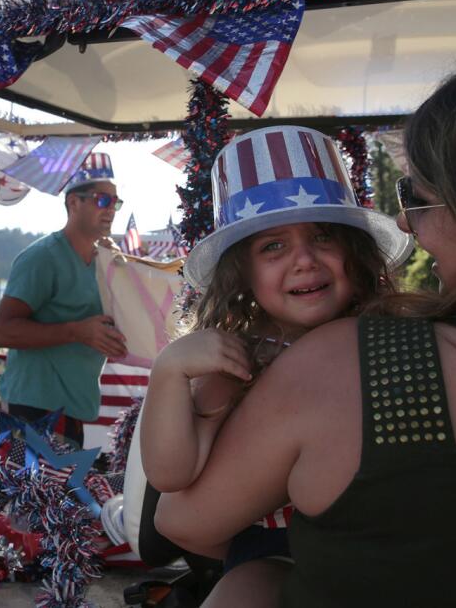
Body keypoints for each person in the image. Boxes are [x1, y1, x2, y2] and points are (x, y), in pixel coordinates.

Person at [156, 33, 456, 607]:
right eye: (272, 247)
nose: (408, 226)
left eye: (419, 199)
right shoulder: (261, 359)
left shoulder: (350, 366)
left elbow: (183, 519)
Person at [139, 126, 411, 606]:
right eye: (273, 246)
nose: (305, 260)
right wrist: (169, 372)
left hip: (387, 547)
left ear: (355, 251)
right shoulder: (239, 360)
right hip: (276, 552)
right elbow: (171, 477)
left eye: (323, 236)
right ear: (242, 272)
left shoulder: (395, 336)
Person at [0, 153, 128, 447]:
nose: (111, 210)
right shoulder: (42, 257)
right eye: (101, 200)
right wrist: (78, 331)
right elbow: (1, 331)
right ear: (73, 203)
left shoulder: (103, 261)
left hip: (72, 410)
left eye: (115, 202)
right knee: (30, 493)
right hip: (31, 410)